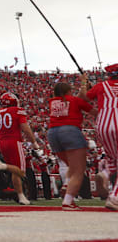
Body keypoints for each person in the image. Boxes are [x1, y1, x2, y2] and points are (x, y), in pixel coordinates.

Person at [46, 78, 97, 210]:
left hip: (53, 133)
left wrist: (84, 87)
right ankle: (68, 201)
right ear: (69, 91)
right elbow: (93, 110)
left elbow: (77, 99)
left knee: (71, 166)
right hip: (70, 131)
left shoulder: (53, 101)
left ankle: (67, 183)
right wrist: (86, 87)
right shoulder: (74, 100)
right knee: (79, 170)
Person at [0, 92, 40, 206]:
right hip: (14, 142)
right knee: (20, 171)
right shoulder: (17, 110)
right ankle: (3, 166)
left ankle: (21, 196)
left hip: (3, 142)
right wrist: (34, 142)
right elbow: (25, 129)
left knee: (14, 171)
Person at [82, 63, 118, 210]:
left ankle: (104, 174)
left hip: (103, 125)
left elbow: (85, 97)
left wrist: (85, 83)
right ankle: (114, 197)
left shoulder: (101, 86)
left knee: (112, 158)